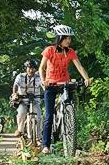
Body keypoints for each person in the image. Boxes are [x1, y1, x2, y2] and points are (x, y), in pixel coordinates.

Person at [38, 25, 91, 154]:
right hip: (50, 85)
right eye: (66, 38)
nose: (69, 41)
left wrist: (86, 78)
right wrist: (43, 80)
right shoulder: (49, 50)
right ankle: (46, 145)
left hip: (64, 83)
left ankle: (69, 130)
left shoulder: (71, 52)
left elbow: (79, 66)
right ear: (59, 38)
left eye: (69, 38)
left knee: (69, 105)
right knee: (49, 116)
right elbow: (41, 68)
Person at [11, 60, 43, 139]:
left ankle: (38, 137)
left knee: (39, 117)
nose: (31, 70)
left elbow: (43, 85)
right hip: (23, 100)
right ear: (26, 68)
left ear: (35, 69)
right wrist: (15, 94)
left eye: (33, 68)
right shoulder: (20, 76)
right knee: (21, 113)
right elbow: (15, 85)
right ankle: (20, 130)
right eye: (29, 68)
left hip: (35, 100)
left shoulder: (39, 77)